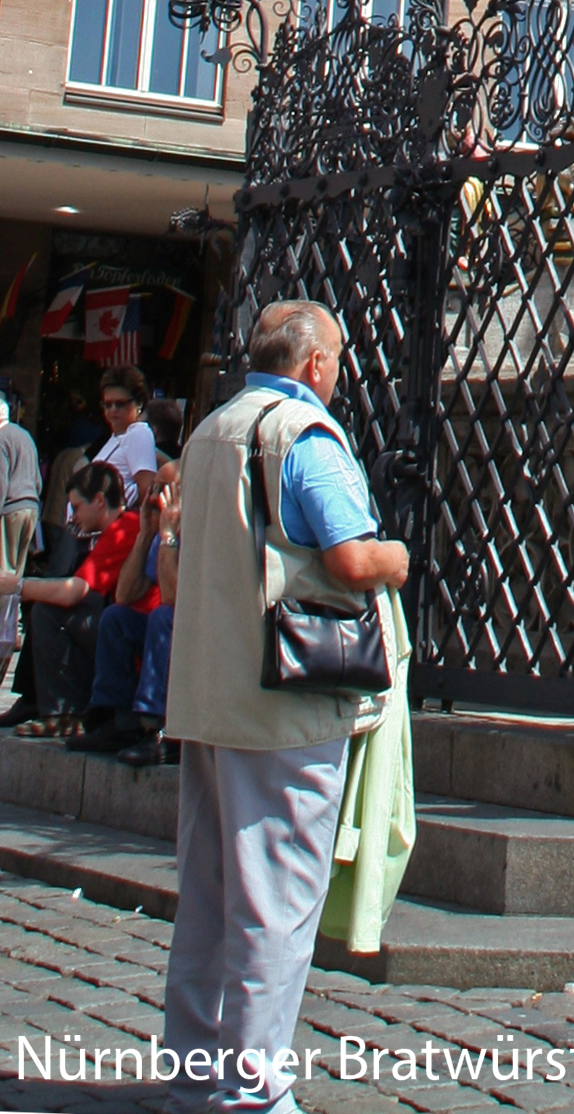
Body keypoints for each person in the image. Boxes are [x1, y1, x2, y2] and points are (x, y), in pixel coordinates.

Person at [161, 298, 409, 1114]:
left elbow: (181, 569)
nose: (339, 372)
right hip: (282, 702)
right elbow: (345, 556)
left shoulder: (209, 431)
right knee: (276, 901)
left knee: (207, 896)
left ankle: (194, 1073)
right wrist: (397, 558)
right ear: (314, 365)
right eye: (336, 358)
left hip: (206, 694)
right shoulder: (301, 434)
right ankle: (253, 1090)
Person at [0, 460, 138, 728]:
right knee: (47, 607)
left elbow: (72, 593)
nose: (73, 516)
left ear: (99, 500)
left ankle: (65, 710)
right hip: (120, 627)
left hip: (127, 632)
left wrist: (15, 586)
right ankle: (57, 708)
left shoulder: (126, 528)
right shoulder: (113, 529)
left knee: (48, 610)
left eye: (76, 507)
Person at [68, 453, 178, 754]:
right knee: (116, 617)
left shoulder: (185, 533)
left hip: (195, 636)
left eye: (164, 489)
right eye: (153, 488)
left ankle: (158, 729)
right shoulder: (156, 532)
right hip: (164, 631)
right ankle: (119, 721)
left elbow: (173, 598)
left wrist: (169, 534)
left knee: (163, 617)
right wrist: (145, 535)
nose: (153, 497)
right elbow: (125, 595)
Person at [0, 386, 40, 689]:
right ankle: (9, 633)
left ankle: (3, 637)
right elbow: (37, 479)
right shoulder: (23, 435)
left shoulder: (1, 438)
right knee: (15, 580)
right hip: (30, 509)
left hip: (10, 510)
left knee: (3, 580)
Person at [97, 366, 159, 505]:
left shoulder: (138, 433)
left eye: (120, 404)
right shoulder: (118, 437)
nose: (113, 410)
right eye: (107, 404)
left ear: (139, 403)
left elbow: (146, 491)